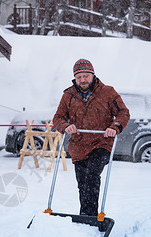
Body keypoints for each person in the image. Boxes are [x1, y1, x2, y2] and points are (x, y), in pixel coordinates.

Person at [53, 59, 130, 216]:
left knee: (91, 175)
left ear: (93, 75)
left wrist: (114, 127)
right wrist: (66, 126)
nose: (82, 80)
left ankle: (90, 217)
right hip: (79, 146)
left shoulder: (108, 92)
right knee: (83, 184)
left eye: (86, 76)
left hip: (102, 143)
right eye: (79, 77)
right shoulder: (68, 95)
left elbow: (123, 112)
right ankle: (86, 217)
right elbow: (58, 118)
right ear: (75, 78)